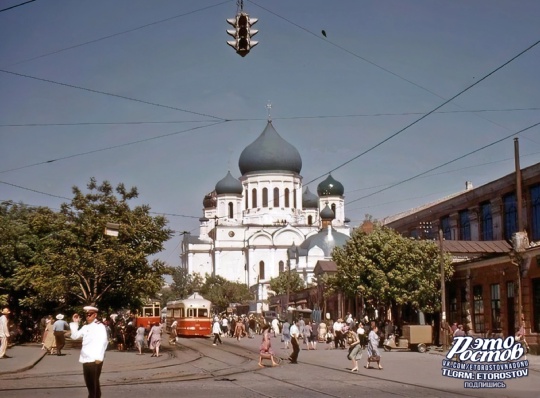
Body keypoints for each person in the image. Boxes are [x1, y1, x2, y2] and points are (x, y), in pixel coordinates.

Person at [69, 306, 109, 398]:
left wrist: (99, 357)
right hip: (85, 358)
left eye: (90, 315)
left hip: (94, 359)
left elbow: (103, 342)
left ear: (95, 315)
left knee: (92, 384)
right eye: (86, 315)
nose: (88, 316)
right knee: (91, 383)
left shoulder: (100, 326)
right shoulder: (85, 327)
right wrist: (75, 323)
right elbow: (74, 336)